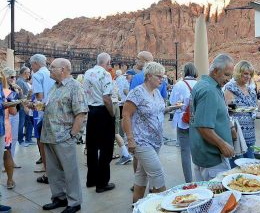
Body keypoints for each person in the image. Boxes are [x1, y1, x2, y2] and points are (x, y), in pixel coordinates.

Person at [122, 62, 180, 203]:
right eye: (159, 76)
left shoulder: (156, 93)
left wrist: (173, 107)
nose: (162, 79)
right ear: (148, 76)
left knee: (141, 176)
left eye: (163, 77)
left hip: (155, 142)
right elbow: (126, 115)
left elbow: (158, 111)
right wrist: (130, 139)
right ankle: (166, 206)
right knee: (157, 174)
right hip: (141, 141)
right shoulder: (137, 92)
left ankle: (136, 206)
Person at [41, 58, 88, 213]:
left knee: (70, 172)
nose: (49, 69)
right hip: (49, 135)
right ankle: (59, 198)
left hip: (64, 137)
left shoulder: (75, 87)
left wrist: (72, 135)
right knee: (53, 172)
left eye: (52, 67)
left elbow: (81, 114)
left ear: (63, 69)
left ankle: (74, 202)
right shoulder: (54, 87)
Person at [189, 54, 235, 181]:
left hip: (205, 155)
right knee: (218, 198)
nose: (229, 79)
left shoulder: (208, 86)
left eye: (230, 76)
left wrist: (230, 128)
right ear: (215, 71)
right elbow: (203, 127)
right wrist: (223, 145)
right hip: (212, 159)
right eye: (226, 75)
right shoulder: (209, 90)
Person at [83, 52, 116, 193]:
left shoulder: (87, 73)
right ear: (107, 62)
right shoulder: (106, 75)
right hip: (103, 111)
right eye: (110, 63)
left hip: (91, 111)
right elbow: (106, 98)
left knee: (91, 147)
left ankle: (91, 179)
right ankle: (102, 183)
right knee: (106, 148)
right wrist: (112, 113)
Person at [169, 62, 198, 183]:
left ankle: (189, 181)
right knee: (197, 150)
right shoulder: (199, 84)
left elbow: (172, 101)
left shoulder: (180, 84)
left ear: (185, 71)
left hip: (183, 121)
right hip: (197, 121)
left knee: (185, 151)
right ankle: (200, 177)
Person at [224, 60, 257, 162]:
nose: (248, 76)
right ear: (239, 73)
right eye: (245, 73)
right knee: (237, 165)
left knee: (251, 164)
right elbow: (226, 112)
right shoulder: (230, 88)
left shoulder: (251, 90)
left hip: (250, 133)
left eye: (250, 74)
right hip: (237, 134)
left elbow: (253, 110)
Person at [30, 53, 56, 184]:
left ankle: (48, 174)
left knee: (43, 144)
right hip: (56, 112)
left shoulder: (37, 75)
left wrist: (30, 105)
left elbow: (39, 97)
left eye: (31, 65)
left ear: (35, 63)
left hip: (43, 115)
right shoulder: (52, 73)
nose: (31, 68)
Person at [0, 70, 15, 212]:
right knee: (7, 153)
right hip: (4, 126)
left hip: (2, 127)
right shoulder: (7, 91)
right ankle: (10, 180)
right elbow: (14, 112)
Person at [3, 67, 23, 164]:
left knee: (14, 138)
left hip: (15, 113)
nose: (13, 79)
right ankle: (6, 162)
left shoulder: (13, 87)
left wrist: (20, 91)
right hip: (7, 115)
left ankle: (11, 160)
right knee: (7, 138)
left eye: (14, 77)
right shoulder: (4, 88)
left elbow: (20, 100)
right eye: (11, 77)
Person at [16, 66, 32, 146]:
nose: (29, 74)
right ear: (25, 73)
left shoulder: (23, 81)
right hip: (22, 107)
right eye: (29, 72)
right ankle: (20, 140)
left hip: (25, 105)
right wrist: (24, 106)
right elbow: (20, 95)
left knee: (27, 123)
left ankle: (27, 139)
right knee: (21, 124)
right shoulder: (20, 81)